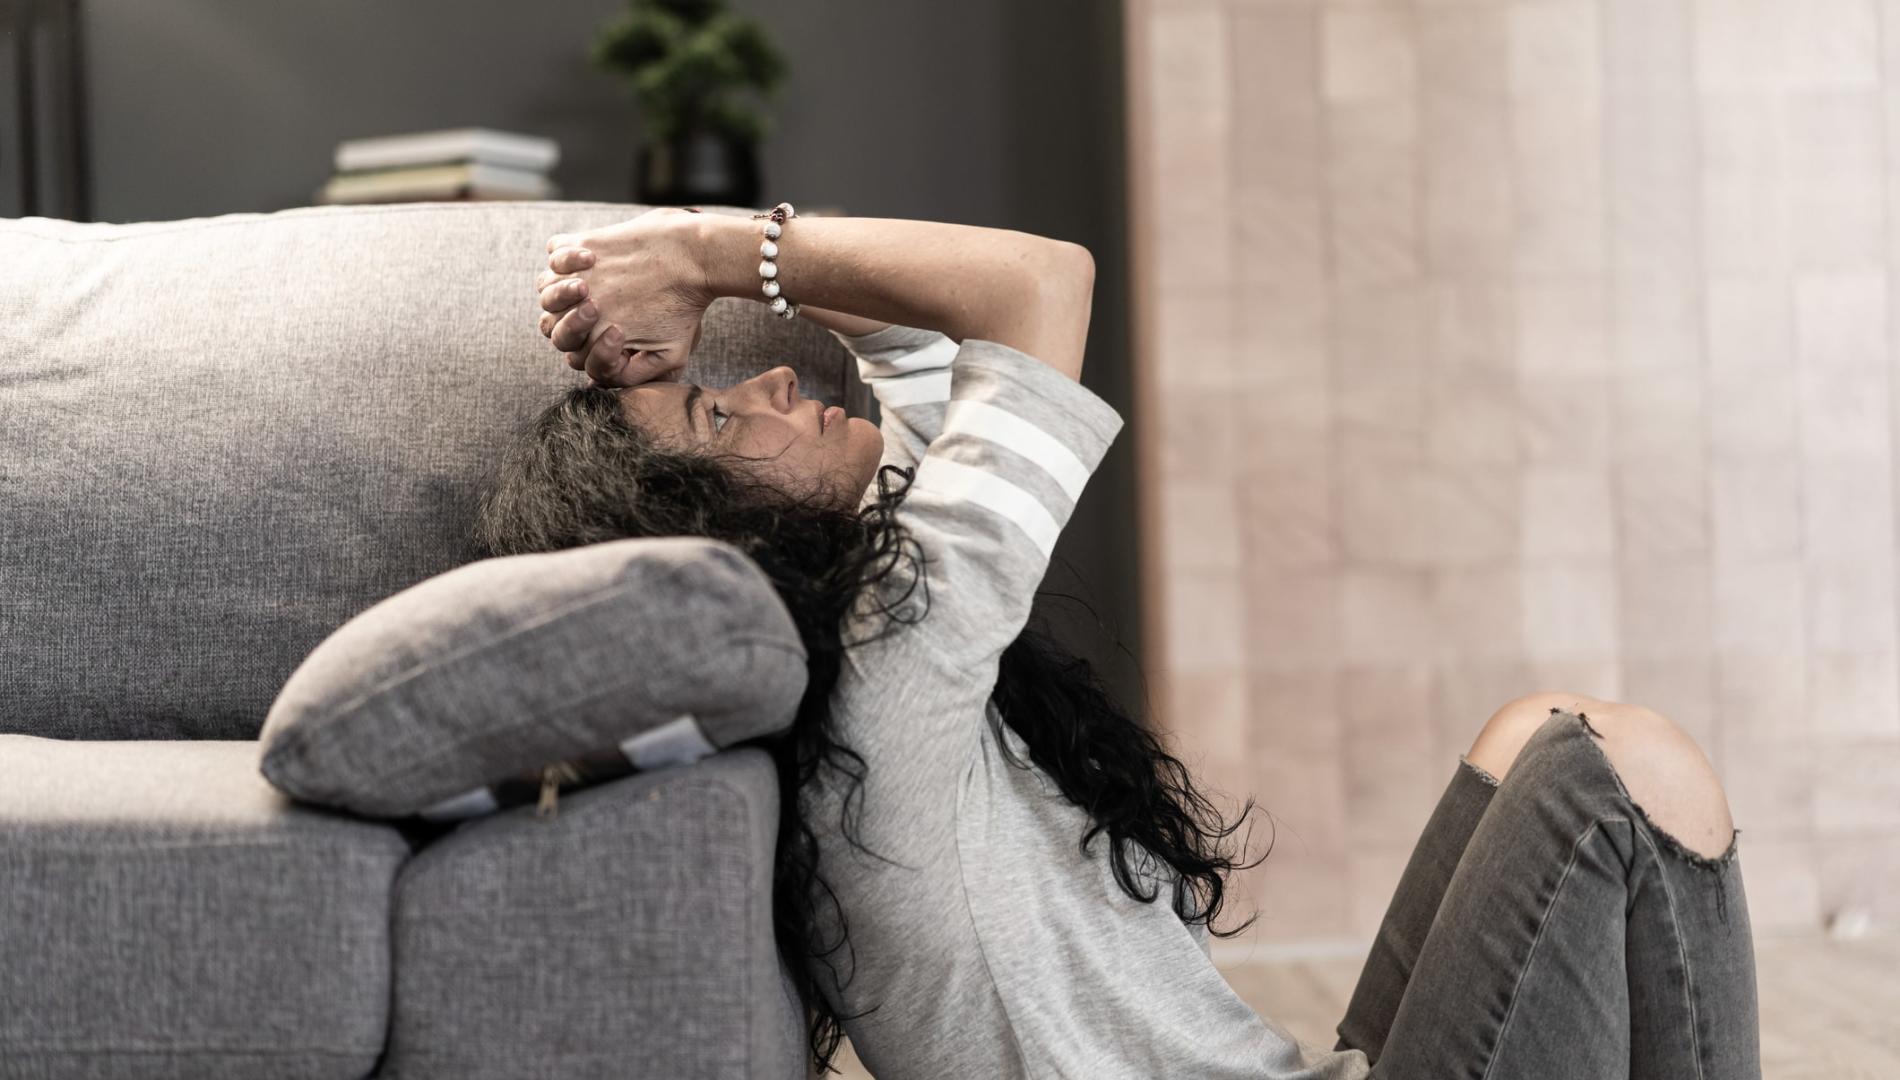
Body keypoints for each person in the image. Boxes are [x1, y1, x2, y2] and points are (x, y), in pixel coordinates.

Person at [485, 207, 1761, 1079]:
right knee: (1621, 767)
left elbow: (916, 340)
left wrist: (674, 282)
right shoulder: (889, 680)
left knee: (1529, 732)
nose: (775, 379)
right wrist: (709, 255)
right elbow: (1038, 285)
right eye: (719, 409)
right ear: (729, 542)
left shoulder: (858, 674)